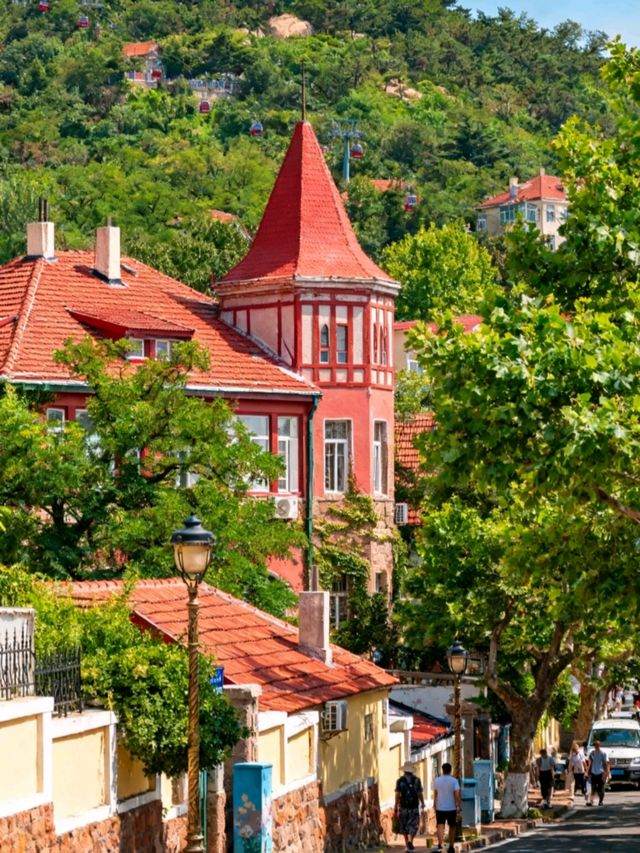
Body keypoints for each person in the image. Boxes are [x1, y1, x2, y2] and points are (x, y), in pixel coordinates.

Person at [394, 761, 425, 853]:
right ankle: (411, 842)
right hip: (414, 806)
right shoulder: (417, 780)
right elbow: (420, 793)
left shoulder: (400, 781)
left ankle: (407, 842)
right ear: (412, 771)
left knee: (404, 824)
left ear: (404, 771)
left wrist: (395, 805)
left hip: (403, 806)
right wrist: (422, 802)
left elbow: (397, 794)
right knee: (413, 824)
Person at [433, 762, 461, 853]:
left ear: (442, 770)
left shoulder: (437, 780)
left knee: (440, 825)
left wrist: (434, 804)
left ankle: (440, 844)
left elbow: (435, 794)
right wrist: (457, 805)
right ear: (450, 770)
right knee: (452, 826)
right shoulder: (454, 781)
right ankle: (451, 846)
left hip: (440, 807)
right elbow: (456, 794)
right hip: (451, 807)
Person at [586, 740, 610, 806]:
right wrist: (588, 772)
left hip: (601, 773)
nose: (596, 747)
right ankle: (591, 801)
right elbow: (589, 763)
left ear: (599, 745)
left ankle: (601, 801)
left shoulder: (603, 753)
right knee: (593, 788)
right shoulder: (592, 753)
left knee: (600, 788)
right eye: (595, 746)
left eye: (597, 745)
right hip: (594, 773)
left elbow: (606, 764)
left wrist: (607, 773)